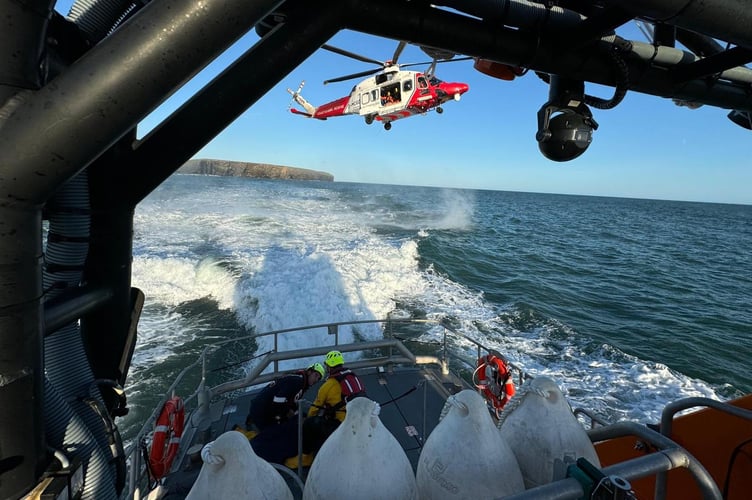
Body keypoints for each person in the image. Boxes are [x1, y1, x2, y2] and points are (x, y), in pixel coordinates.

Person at [303, 350, 366, 454]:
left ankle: (306, 455)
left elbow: (315, 408)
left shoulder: (328, 385)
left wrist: (308, 419)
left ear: (329, 367)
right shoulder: (353, 377)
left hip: (343, 425)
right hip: (360, 419)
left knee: (310, 424)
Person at [245, 362, 325, 432]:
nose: (316, 380)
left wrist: (296, 414)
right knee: (275, 435)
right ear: (309, 372)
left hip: (260, 406)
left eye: (318, 379)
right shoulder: (298, 382)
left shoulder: (300, 381)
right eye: (316, 375)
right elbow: (278, 401)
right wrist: (284, 416)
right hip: (261, 411)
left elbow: (291, 401)